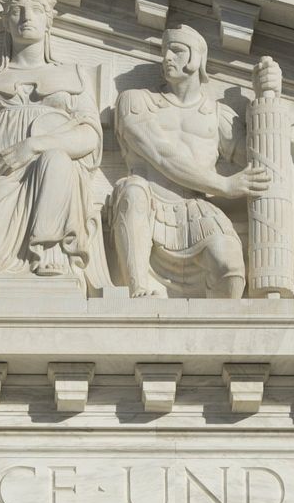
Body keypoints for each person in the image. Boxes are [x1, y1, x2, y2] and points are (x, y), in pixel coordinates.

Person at [0, 0, 108, 290]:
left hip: (55, 176)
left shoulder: (74, 75)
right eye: (17, 11)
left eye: (35, 11)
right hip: (0, 173)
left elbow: (89, 135)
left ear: (49, 21)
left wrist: (34, 146)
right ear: (6, 22)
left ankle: (50, 248)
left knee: (56, 159)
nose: (26, 17)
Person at [110, 25, 269, 298]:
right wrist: (224, 185)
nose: (167, 58)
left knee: (230, 269)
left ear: (197, 58)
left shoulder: (217, 116)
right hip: (148, 203)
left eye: (177, 50)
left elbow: (259, 160)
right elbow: (161, 154)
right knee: (132, 189)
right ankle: (138, 289)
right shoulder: (136, 102)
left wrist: (269, 96)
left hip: (196, 210)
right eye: (164, 51)